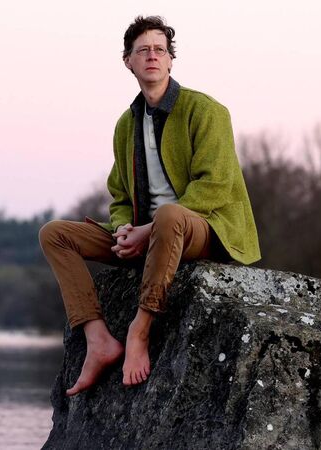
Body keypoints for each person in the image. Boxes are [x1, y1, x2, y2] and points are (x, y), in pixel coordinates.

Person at [38, 15, 260, 396]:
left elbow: (215, 186)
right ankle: (98, 339)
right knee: (54, 234)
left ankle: (139, 331)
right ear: (128, 61)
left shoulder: (206, 111)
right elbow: (120, 194)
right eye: (143, 50)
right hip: (146, 234)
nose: (152, 56)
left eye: (160, 49)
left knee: (170, 215)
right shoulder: (126, 124)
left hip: (202, 229)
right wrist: (125, 228)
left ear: (171, 59)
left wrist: (150, 229)